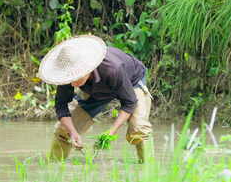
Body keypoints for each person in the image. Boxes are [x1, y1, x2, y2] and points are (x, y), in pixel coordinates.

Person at [37, 35, 152, 163]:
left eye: (77, 77)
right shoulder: (67, 76)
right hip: (96, 91)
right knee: (63, 130)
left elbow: (129, 102)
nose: (73, 83)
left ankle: (148, 170)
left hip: (132, 81)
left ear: (88, 68)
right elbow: (61, 107)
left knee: (139, 128)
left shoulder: (113, 69)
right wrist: (74, 133)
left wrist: (111, 132)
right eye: (70, 79)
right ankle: (53, 167)